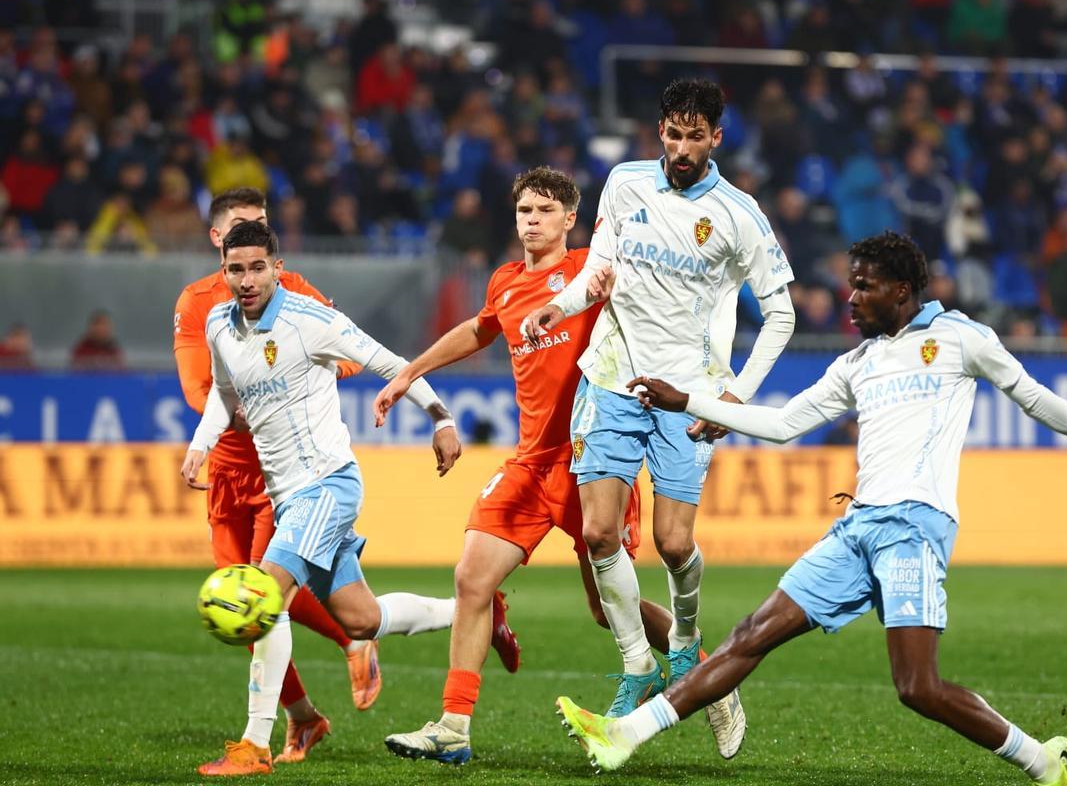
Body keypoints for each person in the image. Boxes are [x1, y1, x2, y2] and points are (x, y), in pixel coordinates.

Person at [555, 231, 1067, 786]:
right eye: (851, 286)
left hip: (912, 527)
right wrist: (690, 402)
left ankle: (1043, 761)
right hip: (857, 530)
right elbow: (783, 424)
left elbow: (1030, 394)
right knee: (751, 633)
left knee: (917, 687)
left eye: (863, 287)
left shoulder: (959, 338)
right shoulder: (858, 363)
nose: (850, 299)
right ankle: (625, 735)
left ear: (901, 290)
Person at [173, 191, 518, 771]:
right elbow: (224, 400)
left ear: (276, 268)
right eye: (237, 270)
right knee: (362, 618)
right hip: (291, 499)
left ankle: (255, 745)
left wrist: (441, 416)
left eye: (259, 267)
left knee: (264, 596)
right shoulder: (218, 325)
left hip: (328, 484)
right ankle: (482, 611)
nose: (248, 279)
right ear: (223, 271)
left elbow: (390, 362)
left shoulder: (311, 321)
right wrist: (200, 446)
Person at [375, 167, 704, 763]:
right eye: (525, 210)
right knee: (472, 580)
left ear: (570, 220)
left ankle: (704, 669)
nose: (532, 220)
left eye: (545, 211)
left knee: (608, 612)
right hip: (531, 464)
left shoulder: (588, 270)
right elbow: (480, 330)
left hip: (593, 459)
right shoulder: (503, 281)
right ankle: (453, 726)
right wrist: (409, 372)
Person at [520, 79, 795, 745]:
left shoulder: (738, 214)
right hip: (612, 378)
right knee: (598, 536)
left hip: (689, 393)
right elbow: (600, 273)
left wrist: (735, 397)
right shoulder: (624, 183)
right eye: (671, 134)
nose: (679, 147)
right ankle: (639, 665)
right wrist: (561, 306)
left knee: (673, 544)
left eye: (693, 136)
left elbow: (781, 313)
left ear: (716, 138)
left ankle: (688, 645)